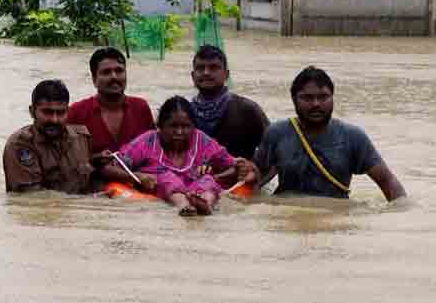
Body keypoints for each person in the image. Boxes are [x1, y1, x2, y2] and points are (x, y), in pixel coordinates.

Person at [255, 67, 407, 202]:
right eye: (307, 98)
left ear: (332, 98)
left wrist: (401, 216)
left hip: (335, 223)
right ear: (294, 100)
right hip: (286, 218)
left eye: (323, 97)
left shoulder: (352, 137)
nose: (316, 104)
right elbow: (255, 178)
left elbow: (387, 181)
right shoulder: (276, 133)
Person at [101, 97, 257, 216]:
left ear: (193, 127)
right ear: (160, 126)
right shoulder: (147, 141)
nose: (180, 132)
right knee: (166, 178)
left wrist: (221, 173)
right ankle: (183, 205)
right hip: (164, 188)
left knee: (208, 180)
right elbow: (108, 168)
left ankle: (206, 203)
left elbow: (234, 165)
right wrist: (138, 177)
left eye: (185, 126)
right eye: (173, 126)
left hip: (198, 188)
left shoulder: (201, 140)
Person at [2, 80, 96, 195]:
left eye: (60, 113)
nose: (54, 120)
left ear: (68, 112)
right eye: (47, 112)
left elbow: (90, 184)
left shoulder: (82, 137)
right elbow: (32, 198)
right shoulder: (20, 145)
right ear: (32, 112)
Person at [67, 48, 155, 155]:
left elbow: (154, 149)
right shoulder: (77, 112)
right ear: (94, 79)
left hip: (138, 172)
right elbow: (68, 157)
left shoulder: (141, 108)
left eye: (119, 71)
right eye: (106, 72)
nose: (114, 77)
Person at [190, 45, 269, 160]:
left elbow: (276, 151)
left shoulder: (247, 110)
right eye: (200, 68)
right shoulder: (184, 112)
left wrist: (255, 175)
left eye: (214, 67)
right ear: (193, 76)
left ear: (226, 75)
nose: (206, 73)